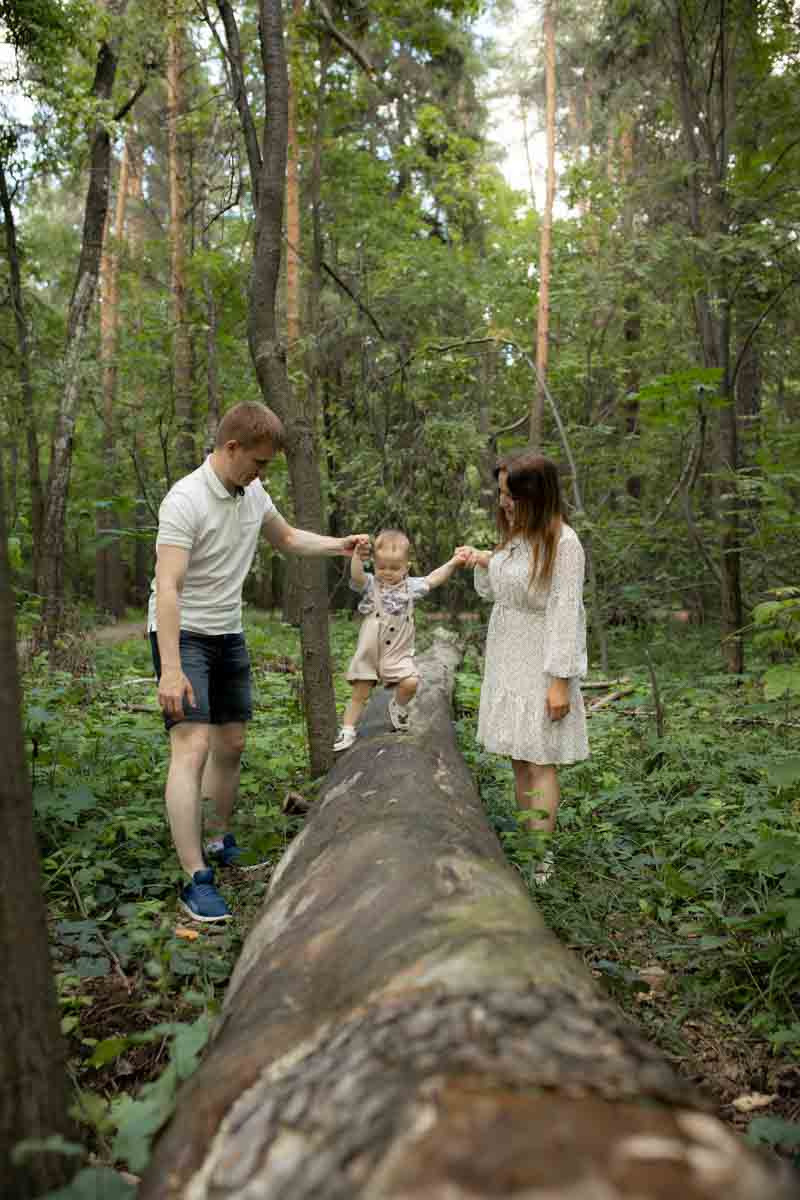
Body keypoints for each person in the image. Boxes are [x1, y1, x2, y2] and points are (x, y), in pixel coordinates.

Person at [148, 401, 369, 922]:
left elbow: (287, 537)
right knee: (192, 743)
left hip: (228, 631)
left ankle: (220, 839)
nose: (262, 472)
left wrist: (338, 546)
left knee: (232, 742)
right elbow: (167, 585)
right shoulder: (185, 499)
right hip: (184, 635)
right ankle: (194, 876)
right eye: (260, 462)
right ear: (231, 449)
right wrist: (173, 667)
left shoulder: (252, 492)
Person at [459, 451, 589, 883]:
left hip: (541, 655)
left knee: (541, 759)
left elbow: (565, 611)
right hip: (507, 650)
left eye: (510, 495)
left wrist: (559, 681)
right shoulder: (517, 535)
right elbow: (500, 590)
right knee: (519, 757)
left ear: (535, 494)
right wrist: (484, 560)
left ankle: (541, 860)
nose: (503, 503)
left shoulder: (564, 543)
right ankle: (526, 844)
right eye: (500, 495)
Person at [333, 530, 470, 752]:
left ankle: (398, 705)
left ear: (407, 567)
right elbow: (357, 576)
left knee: (411, 682)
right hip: (370, 652)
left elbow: (434, 578)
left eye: (395, 568)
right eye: (381, 567)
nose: (387, 572)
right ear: (374, 565)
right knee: (360, 692)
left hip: (397, 652)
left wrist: (454, 562)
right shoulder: (370, 584)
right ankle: (348, 729)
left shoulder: (411, 587)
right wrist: (357, 555)